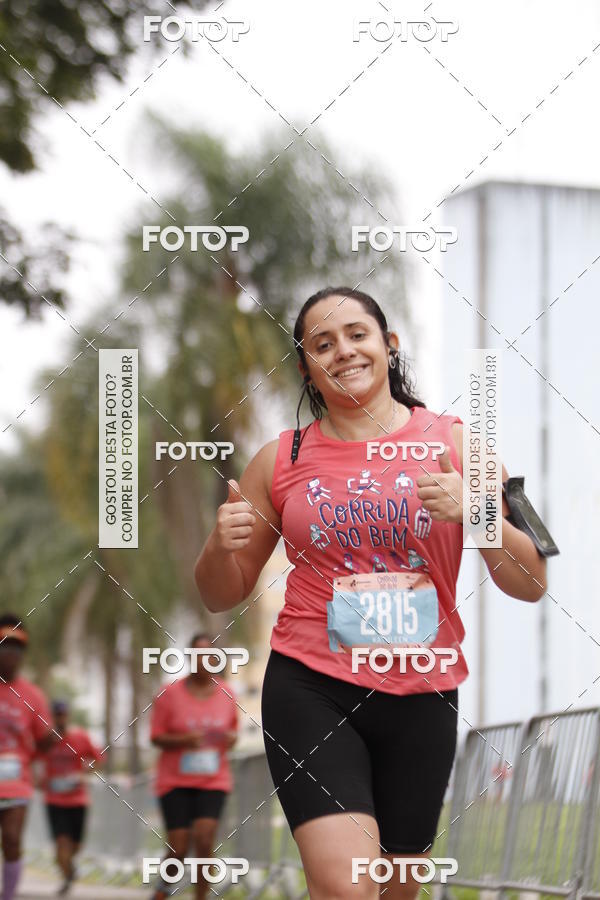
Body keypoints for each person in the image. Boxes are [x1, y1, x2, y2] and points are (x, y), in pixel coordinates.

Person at [194, 287, 549, 900]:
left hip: (423, 691)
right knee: (346, 888)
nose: (343, 352)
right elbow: (220, 594)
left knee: (395, 891)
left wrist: (477, 513)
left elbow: (535, 581)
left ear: (388, 344)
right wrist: (219, 544)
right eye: (322, 344)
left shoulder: (462, 442)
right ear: (307, 366)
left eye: (357, 334)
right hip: (311, 684)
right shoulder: (281, 458)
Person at [149, 631, 238, 900]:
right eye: (197, 655)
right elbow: (156, 737)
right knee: (178, 848)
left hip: (213, 780)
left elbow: (231, 734)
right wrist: (183, 740)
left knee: (204, 840)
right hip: (175, 781)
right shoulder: (169, 693)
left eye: (209, 655)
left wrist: (230, 739)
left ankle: (201, 897)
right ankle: (161, 892)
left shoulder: (227, 693)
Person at [0, 613, 54, 900]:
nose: (11, 653)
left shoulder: (32, 696)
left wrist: (49, 740)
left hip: (16, 781)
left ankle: (8, 896)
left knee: (11, 838)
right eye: (5, 646)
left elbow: (43, 739)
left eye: (17, 648)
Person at [39, 699, 101, 895]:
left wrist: (85, 771)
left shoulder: (80, 736)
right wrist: (37, 778)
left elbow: (98, 758)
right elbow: (33, 756)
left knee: (75, 845)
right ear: (52, 717)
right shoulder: (46, 740)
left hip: (78, 799)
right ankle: (67, 874)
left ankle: (69, 866)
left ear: (68, 716)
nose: (61, 718)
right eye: (57, 715)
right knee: (61, 844)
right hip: (54, 800)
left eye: (63, 714)